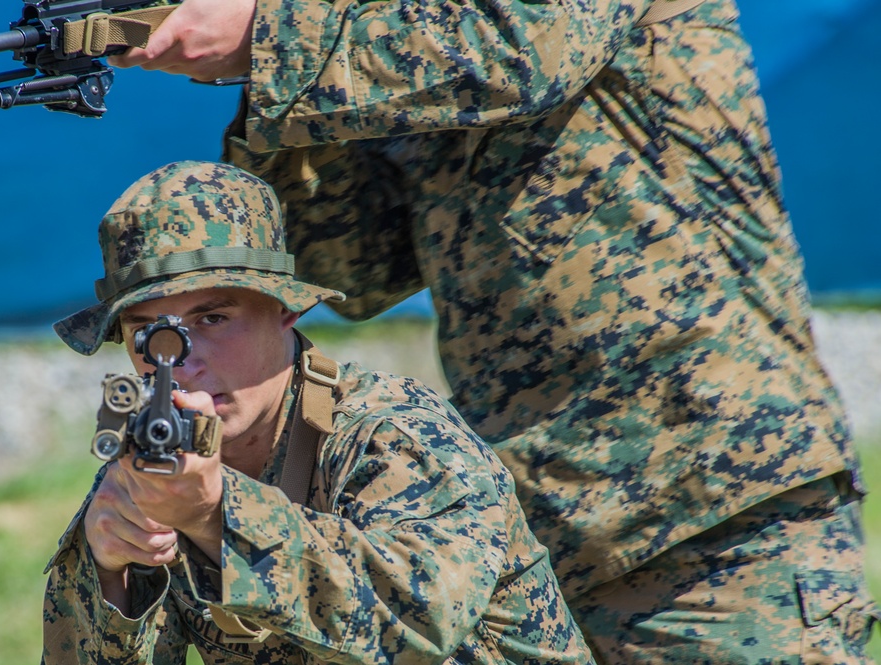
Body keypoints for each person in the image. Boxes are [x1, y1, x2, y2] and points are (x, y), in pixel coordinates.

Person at [108, 0, 880, 660]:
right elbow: (351, 266)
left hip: (711, 498)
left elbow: (526, 49)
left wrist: (273, 33)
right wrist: (270, 84)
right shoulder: (389, 42)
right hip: (534, 533)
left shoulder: (430, 38)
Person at [41, 160, 593, 664]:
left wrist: (217, 518)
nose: (183, 362)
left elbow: (419, 625)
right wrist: (110, 577)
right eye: (147, 332)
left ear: (285, 308)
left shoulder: (393, 432)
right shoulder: (158, 467)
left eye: (212, 318)